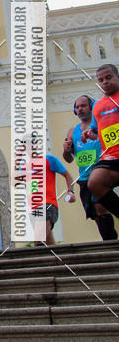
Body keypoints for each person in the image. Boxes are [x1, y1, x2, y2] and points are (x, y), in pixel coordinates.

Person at [62, 94, 117, 240]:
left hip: (101, 173)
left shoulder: (98, 125)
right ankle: (109, 242)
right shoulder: (72, 131)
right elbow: (68, 159)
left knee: (101, 208)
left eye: (83, 106)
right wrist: (66, 150)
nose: (80, 109)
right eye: (77, 107)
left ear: (91, 107)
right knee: (95, 214)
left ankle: (111, 245)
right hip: (84, 178)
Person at [82, 64, 119, 221]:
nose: (105, 82)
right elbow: (96, 130)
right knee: (95, 182)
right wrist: (89, 134)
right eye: (101, 80)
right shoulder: (97, 105)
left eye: (108, 77)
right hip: (110, 157)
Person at [25, 153, 76, 245]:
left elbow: (68, 176)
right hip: (33, 209)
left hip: (47, 205)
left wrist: (71, 191)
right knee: (49, 244)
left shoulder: (49, 159)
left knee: (39, 239)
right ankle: (60, 259)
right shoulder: (24, 167)